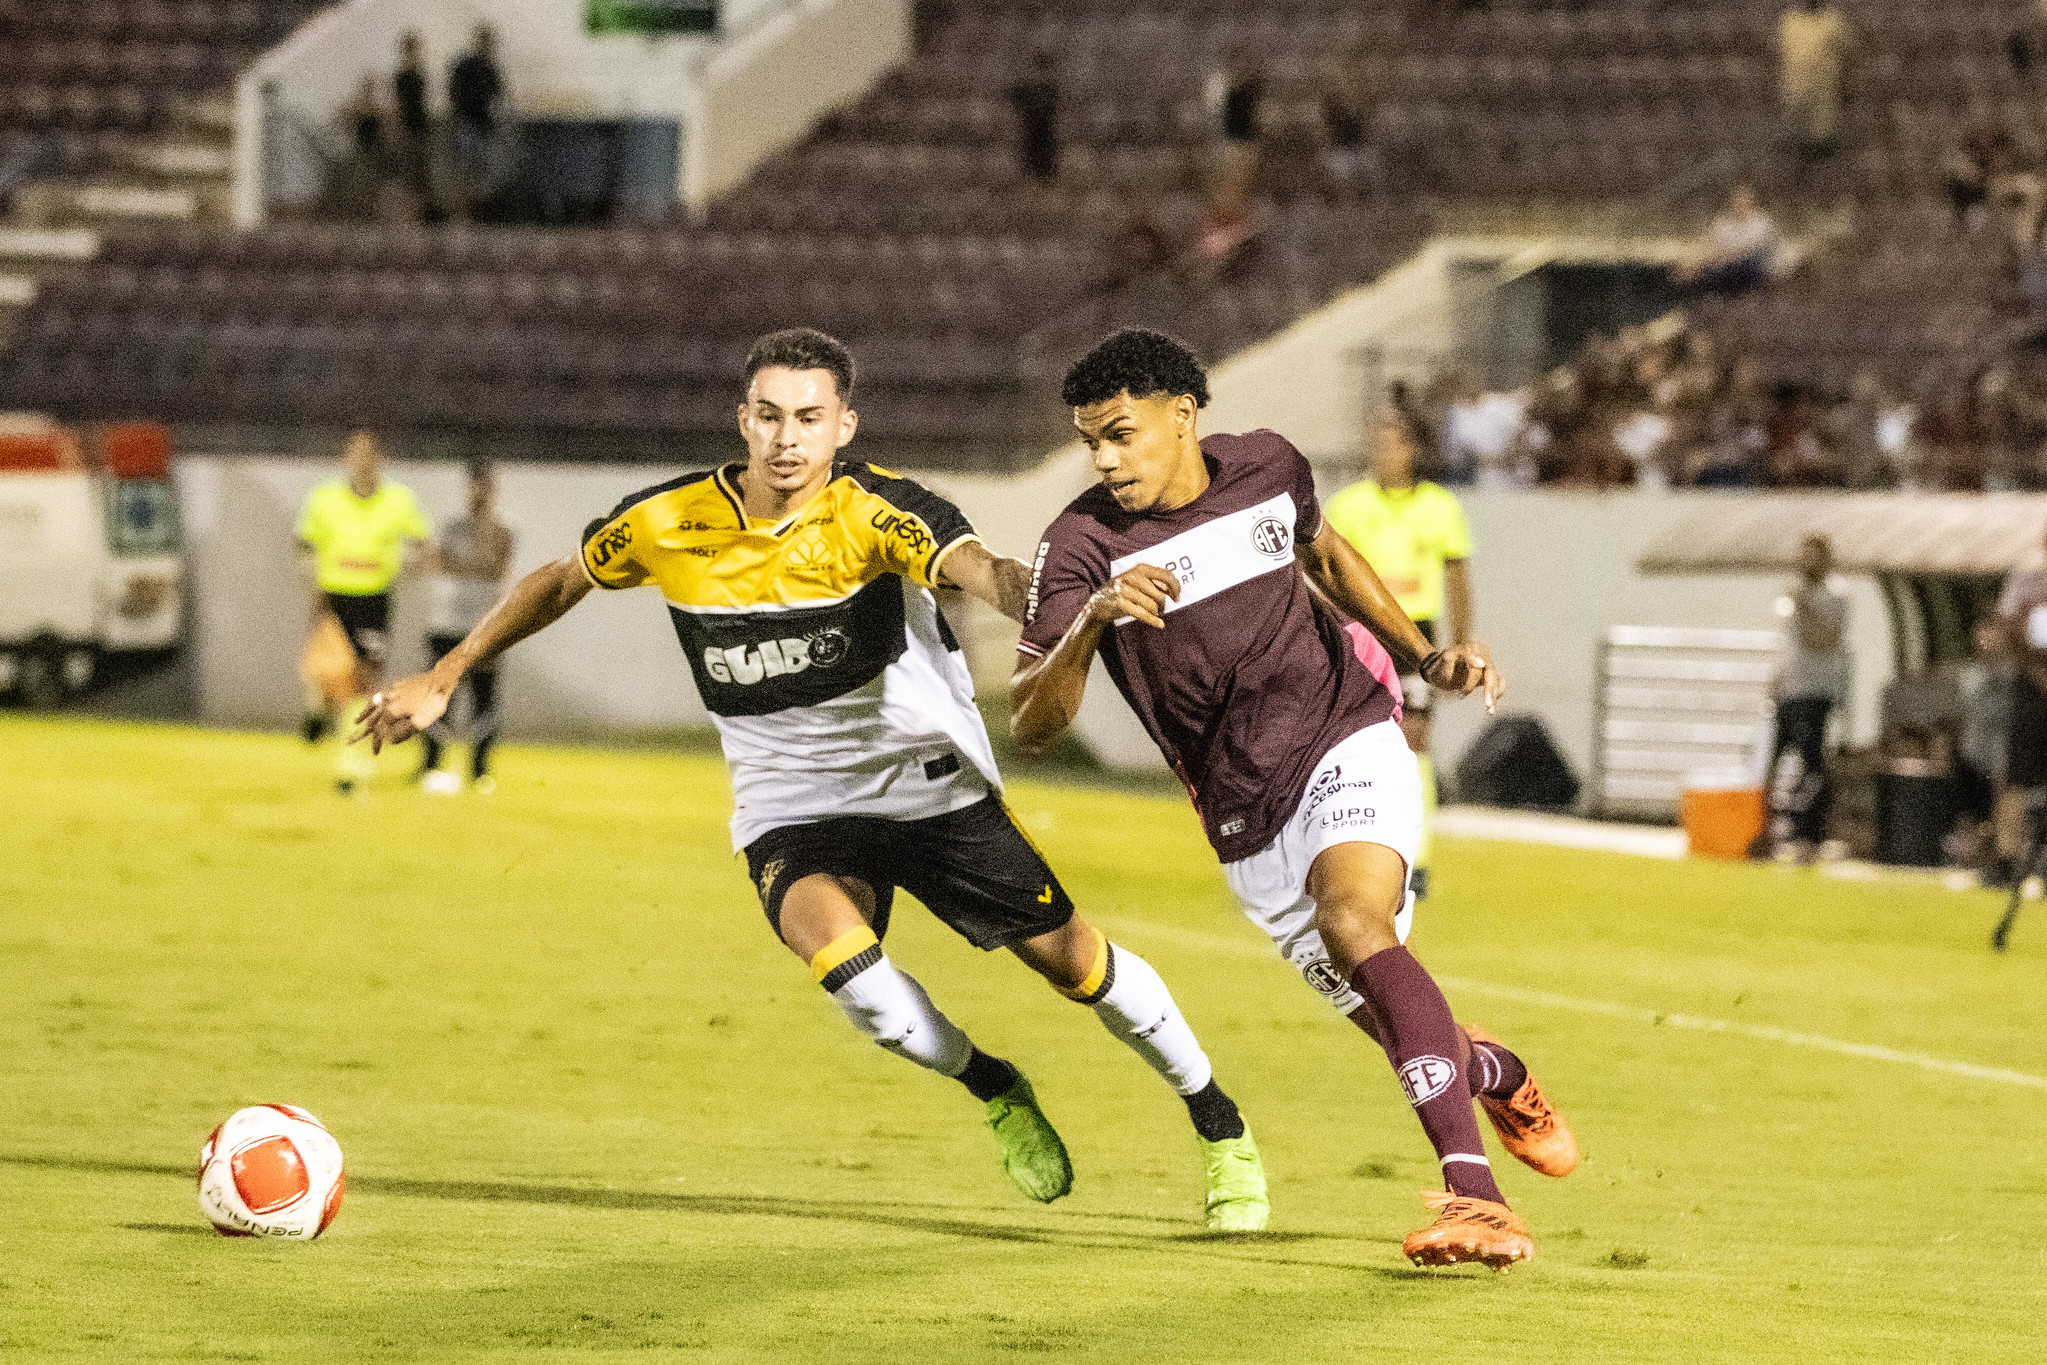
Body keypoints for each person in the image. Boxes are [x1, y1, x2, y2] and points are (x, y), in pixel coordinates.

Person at [354, 328, 1269, 1230]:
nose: (787, 438)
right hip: (788, 806)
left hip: (923, 783)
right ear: (742, 421)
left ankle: (1214, 1116)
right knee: (856, 982)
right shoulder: (669, 520)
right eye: (768, 416)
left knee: (1073, 963)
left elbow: (978, 568)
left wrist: (1070, 603)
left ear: (844, 427)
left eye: (808, 417)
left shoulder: (877, 512)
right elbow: (563, 578)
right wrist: (447, 670)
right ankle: (994, 1084)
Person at [1010, 328, 1576, 1270]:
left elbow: (1327, 556)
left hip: (1345, 733)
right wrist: (1091, 621)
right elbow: (1031, 718)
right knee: (1394, 1021)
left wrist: (1419, 655)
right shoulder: (1080, 545)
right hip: (1241, 819)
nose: (1105, 460)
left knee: (1355, 919)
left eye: (1120, 434)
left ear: (1182, 415)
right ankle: (1493, 1072)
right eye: (1089, 443)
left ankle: (1477, 1199)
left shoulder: (1269, 464)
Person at [1321, 414, 1476, 900]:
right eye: (1378, 444)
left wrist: (1461, 646)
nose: (1385, 453)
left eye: (1394, 444)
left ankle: (1417, 857)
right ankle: (1343, 850)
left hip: (1416, 636)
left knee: (1415, 743)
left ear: (1412, 451)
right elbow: (1326, 574)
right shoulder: (1348, 506)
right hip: (1362, 635)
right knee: (1348, 741)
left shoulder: (1440, 507)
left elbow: (1457, 579)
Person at [296, 431, 433, 794]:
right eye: (355, 455)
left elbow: (422, 543)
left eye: (368, 456)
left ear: (380, 460)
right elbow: (304, 545)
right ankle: (315, 712)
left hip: (374, 600)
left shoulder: (399, 500)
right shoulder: (324, 500)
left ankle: (350, 765)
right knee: (326, 673)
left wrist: (416, 564)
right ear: (346, 459)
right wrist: (311, 582)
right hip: (333, 597)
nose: (362, 463)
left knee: (364, 681)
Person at [419, 459, 514, 794]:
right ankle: (430, 766)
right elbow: (440, 561)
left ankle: (479, 771)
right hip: (446, 624)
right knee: (437, 699)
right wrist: (466, 565)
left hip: (483, 628)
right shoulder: (450, 528)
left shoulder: (502, 532)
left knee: (484, 702)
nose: (478, 493)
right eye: (473, 485)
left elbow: (494, 566)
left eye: (484, 487)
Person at [1766, 533, 1850, 859]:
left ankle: (1809, 834)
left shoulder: (1834, 595)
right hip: (1788, 690)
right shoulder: (1792, 595)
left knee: (1810, 765)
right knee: (1774, 762)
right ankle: (1770, 828)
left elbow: (1823, 640)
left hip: (1814, 692)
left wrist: (1804, 606)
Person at [1991, 522, 2047, 884]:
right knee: (2017, 781)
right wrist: (2038, 676)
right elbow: (2010, 632)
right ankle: (2007, 860)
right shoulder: (2027, 579)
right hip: (2030, 691)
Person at [1779, 0, 1849, 163]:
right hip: (1796, 94)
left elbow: (1848, 54)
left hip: (1824, 95)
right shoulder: (1789, 21)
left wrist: (1845, 83)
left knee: (1822, 144)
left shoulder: (1833, 21)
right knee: (1798, 144)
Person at [448, 24, 504, 216]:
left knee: (480, 170)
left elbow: (497, 96)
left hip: (481, 124)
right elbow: (454, 90)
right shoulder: (466, 65)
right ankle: (464, 211)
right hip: (467, 121)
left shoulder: (490, 68)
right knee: (466, 168)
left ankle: (476, 210)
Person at [392, 31, 435, 219]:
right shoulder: (403, 75)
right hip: (409, 125)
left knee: (421, 168)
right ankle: (413, 209)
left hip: (419, 124)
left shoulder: (418, 73)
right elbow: (399, 103)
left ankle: (422, 209)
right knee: (410, 168)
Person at [1006, 51, 1060, 185]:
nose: (1040, 74)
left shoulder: (1052, 90)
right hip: (1028, 137)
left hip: (1047, 139)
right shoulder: (1022, 89)